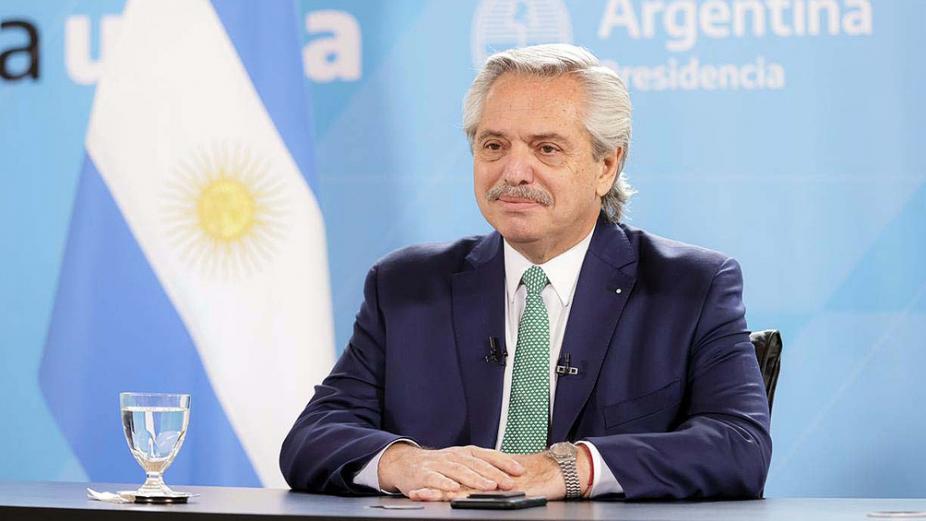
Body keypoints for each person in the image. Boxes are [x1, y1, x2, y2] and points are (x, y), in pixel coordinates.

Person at [279, 44, 771, 501]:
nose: (514, 172)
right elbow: (312, 437)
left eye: (546, 148)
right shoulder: (406, 285)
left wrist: (573, 468)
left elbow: (739, 445)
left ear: (606, 165)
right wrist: (404, 463)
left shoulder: (691, 287)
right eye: (494, 145)